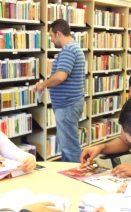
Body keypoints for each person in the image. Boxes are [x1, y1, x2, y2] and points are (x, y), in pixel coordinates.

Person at [34, 19, 85, 163]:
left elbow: (61, 76)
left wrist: (43, 85)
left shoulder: (68, 50)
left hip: (67, 105)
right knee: (67, 144)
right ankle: (68, 176)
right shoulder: (75, 48)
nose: (51, 40)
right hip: (70, 103)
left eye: (51, 36)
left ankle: (78, 177)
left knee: (70, 146)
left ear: (58, 33)